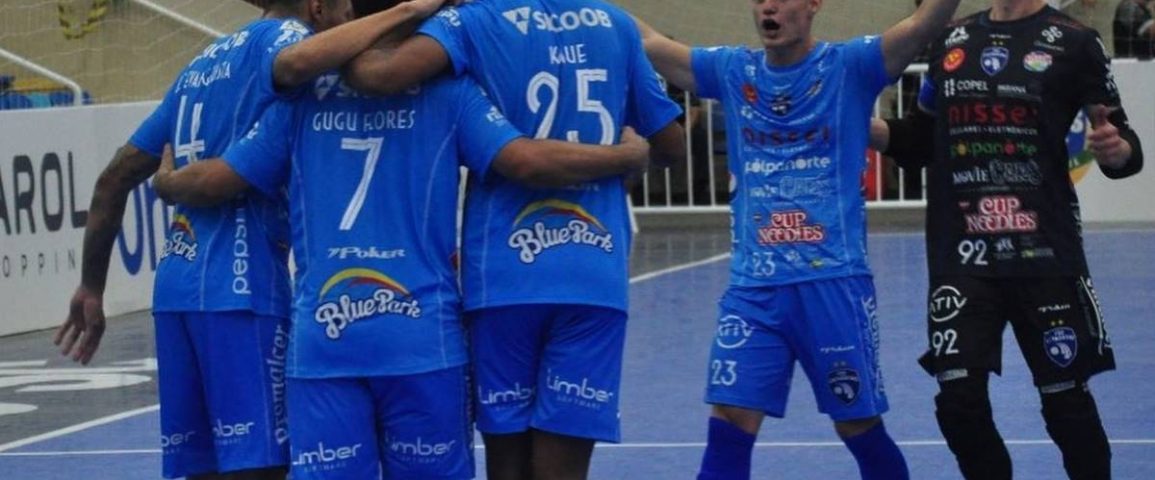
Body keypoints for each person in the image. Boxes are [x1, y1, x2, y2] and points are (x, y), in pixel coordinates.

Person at [149, 27, 652, 479]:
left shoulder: (298, 104)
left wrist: (167, 184)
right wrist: (624, 156)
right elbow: (526, 160)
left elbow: (213, 182)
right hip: (423, 341)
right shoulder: (452, 94)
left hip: (326, 342)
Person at [53, 1, 454, 478]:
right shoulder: (286, 41)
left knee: (202, 465)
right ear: (316, 9)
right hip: (242, 291)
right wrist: (407, 12)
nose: (353, 26)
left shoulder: (201, 65)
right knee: (259, 464)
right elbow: (297, 64)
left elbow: (114, 178)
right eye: (347, 13)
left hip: (176, 291)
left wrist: (91, 286)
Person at [339, 2, 687, 478]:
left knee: (507, 464)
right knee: (564, 468)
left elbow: (378, 74)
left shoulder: (474, 20)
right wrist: (627, 160)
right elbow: (670, 145)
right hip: (593, 273)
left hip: (503, 275)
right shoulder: (615, 24)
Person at [633, 0, 965, 477]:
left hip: (833, 281)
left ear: (813, 5)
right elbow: (647, 40)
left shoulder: (850, 66)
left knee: (857, 423)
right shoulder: (732, 70)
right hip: (753, 289)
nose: (768, 7)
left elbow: (920, 24)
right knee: (730, 418)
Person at [873, 0, 1144, 478]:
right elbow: (920, 138)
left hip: (1044, 251)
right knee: (958, 404)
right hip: (963, 255)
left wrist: (1116, 149)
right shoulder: (951, 40)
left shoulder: (1075, 41)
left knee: (1066, 404)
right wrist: (854, 123)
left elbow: (1123, 144)